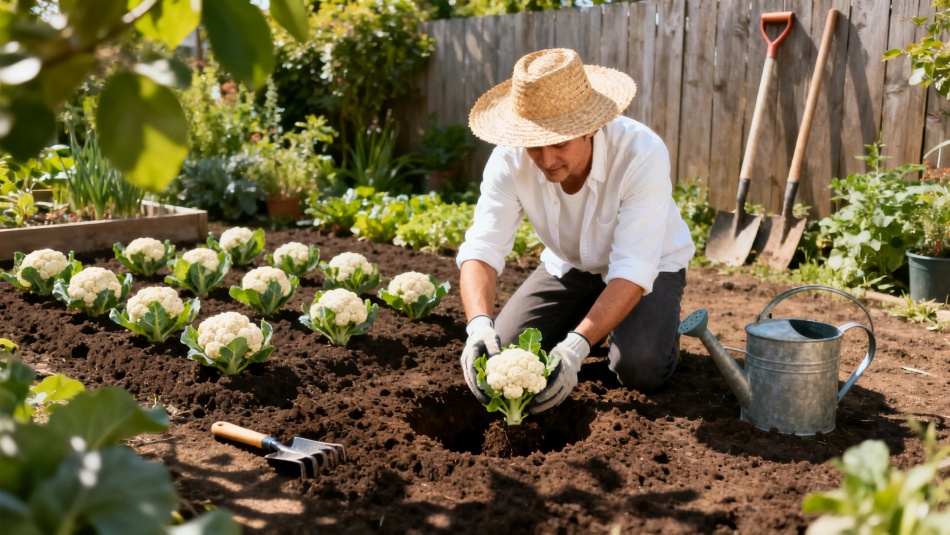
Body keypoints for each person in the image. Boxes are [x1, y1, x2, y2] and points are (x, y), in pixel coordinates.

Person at [457, 48, 695, 414]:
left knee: (640, 367)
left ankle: (641, 329)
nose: (546, 161)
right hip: (569, 266)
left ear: (591, 127)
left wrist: (575, 347)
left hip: (651, 267)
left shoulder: (641, 153)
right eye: (534, 146)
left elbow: (633, 267)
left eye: (559, 143)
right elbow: (482, 249)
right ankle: (596, 323)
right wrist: (478, 326)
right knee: (503, 355)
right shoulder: (508, 159)